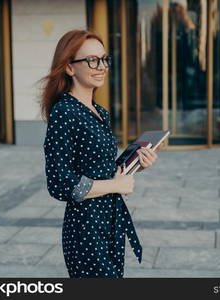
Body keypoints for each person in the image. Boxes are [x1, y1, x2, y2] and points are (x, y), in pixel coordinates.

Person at [40, 29, 159, 278]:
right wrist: (115, 185)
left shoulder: (99, 111)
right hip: (86, 226)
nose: (101, 66)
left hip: (110, 219)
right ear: (69, 68)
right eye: (92, 60)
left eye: (104, 59)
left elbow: (101, 168)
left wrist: (136, 163)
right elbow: (60, 184)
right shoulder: (64, 113)